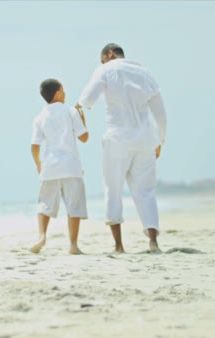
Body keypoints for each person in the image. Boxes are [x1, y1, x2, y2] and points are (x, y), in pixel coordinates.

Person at [78, 43, 167, 254]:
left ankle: (119, 246)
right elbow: (160, 112)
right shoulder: (145, 73)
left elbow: (87, 99)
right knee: (146, 192)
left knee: (113, 189)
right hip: (145, 139)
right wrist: (160, 141)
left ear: (109, 54)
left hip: (117, 139)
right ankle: (153, 242)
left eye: (102, 59)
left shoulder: (106, 69)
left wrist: (79, 110)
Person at [30, 79, 89, 255]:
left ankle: (41, 236)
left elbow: (34, 145)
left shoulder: (39, 117)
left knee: (45, 204)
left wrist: (38, 164)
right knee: (74, 207)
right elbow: (84, 137)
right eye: (63, 90)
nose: (65, 93)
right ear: (56, 93)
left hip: (50, 166)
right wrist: (83, 118)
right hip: (71, 166)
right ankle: (73, 245)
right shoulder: (71, 111)